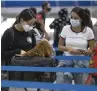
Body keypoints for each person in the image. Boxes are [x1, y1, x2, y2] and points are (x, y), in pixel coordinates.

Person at [56, 7, 95, 91]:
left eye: (76, 18)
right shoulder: (65, 29)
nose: (73, 20)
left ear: (81, 19)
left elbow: (92, 50)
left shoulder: (88, 31)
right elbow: (60, 46)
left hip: (82, 61)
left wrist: (86, 52)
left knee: (83, 87)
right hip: (66, 59)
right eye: (71, 17)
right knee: (62, 84)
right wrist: (69, 49)